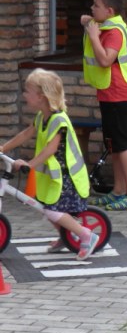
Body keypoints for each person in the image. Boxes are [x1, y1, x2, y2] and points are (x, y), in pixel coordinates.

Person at [0, 69, 100, 260]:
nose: (24, 95)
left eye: (27, 91)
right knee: (45, 207)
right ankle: (65, 236)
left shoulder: (58, 120)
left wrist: (29, 164)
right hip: (55, 176)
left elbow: (50, 149)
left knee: (52, 211)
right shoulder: (41, 117)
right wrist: (4, 147)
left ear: (41, 97)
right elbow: (26, 134)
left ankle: (86, 235)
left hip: (68, 177)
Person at [80, 0, 127, 211]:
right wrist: (89, 22)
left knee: (122, 145)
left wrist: (93, 37)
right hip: (108, 93)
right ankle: (118, 190)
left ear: (109, 11)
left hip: (119, 95)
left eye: (96, 5)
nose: (91, 8)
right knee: (113, 144)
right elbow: (86, 19)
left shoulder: (114, 32)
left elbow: (106, 60)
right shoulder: (105, 24)